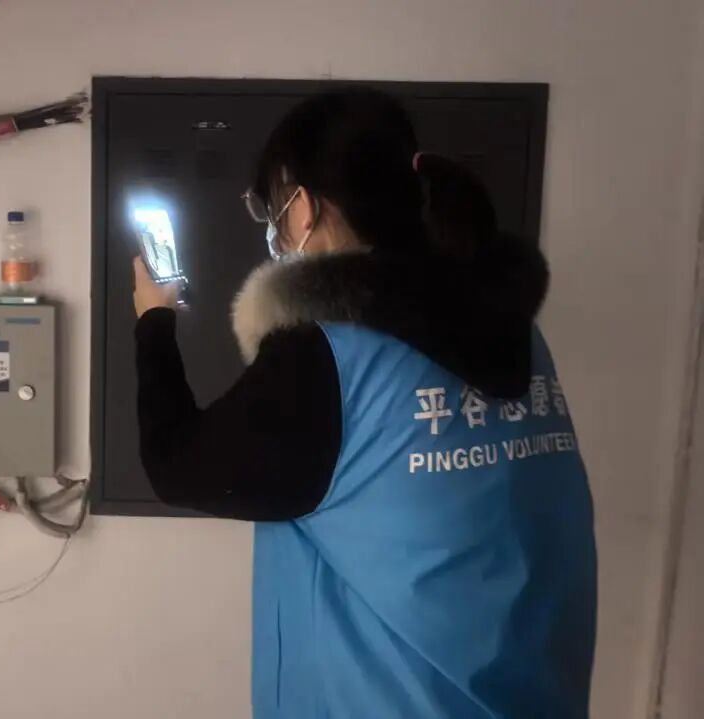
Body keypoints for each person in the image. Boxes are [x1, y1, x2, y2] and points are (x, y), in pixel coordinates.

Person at [132, 89, 597, 719]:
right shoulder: (518, 334)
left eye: (271, 205)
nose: (273, 226)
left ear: (303, 207)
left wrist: (153, 323)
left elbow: (176, 466)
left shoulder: (329, 353)